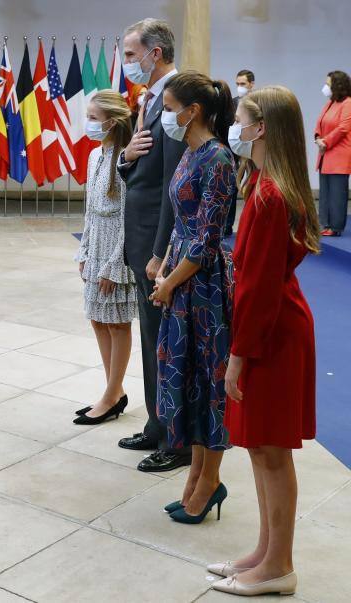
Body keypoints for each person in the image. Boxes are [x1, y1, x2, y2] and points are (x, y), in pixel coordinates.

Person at [212, 85, 320, 597]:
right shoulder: (262, 185)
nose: (234, 127)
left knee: (272, 451)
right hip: (268, 326)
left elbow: (256, 286)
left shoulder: (271, 194)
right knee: (258, 446)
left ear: (262, 129)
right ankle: (264, 549)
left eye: (241, 119)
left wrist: (238, 356)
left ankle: (279, 565)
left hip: (271, 334)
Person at [150, 71, 236, 524]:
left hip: (204, 287)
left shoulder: (219, 158)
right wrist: (162, 264)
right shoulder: (189, 151)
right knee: (188, 379)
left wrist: (170, 281)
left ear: (193, 111)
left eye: (168, 107)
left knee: (210, 381)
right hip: (182, 278)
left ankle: (208, 482)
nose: (165, 115)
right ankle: (197, 477)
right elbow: (181, 222)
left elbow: (206, 240)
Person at [116, 18, 190, 472]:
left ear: (154, 54)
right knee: (149, 337)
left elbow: (171, 186)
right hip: (141, 236)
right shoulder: (149, 98)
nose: (127, 63)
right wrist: (126, 158)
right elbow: (142, 170)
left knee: (165, 341)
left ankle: (177, 440)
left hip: (157, 247)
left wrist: (161, 252)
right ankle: (156, 425)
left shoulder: (178, 99)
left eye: (130, 54)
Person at [73, 90, 136, 426]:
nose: (89, 124)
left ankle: (112, 394)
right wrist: (83, 250)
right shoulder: (95, 156)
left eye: (94, 118)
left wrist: (115, 263)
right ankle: (115, 389)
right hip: (95, 243)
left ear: (111, 122)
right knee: (97, 318)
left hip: (116, 250)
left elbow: (128, 216)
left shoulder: (126, 158)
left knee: (117, 321)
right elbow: (89, 210)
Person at [314, 70, 351, 237]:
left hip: (338, 155)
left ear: (338, 86)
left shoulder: (348, 103)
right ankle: (324, 224)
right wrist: (317, 137)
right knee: (325, 192)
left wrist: (325, 141)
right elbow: (320, 122)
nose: (326, 87)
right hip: (325, 154)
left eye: (328, 84)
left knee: (337, 193)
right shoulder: (330, 103)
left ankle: (335, 227)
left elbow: (343, 128)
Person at [225, 69, 256, 236]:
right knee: (232, 187)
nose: (239, 87)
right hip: (235, 150)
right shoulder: (232, 103)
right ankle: (228, 227)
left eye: (242, 84)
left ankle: (252, 226)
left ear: (251, 84)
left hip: (254, 150)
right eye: (237, 84)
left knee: (253, 187)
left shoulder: (259, 102)